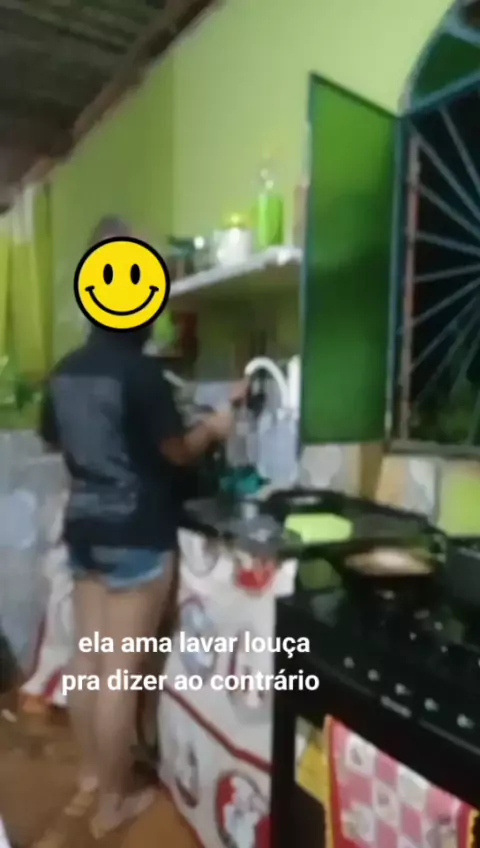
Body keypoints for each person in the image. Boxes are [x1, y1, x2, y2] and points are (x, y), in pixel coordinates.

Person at [38, 216, 239, 837]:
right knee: (121, 672)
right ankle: (111, 805)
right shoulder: (141, 373)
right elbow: (178, 452)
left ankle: (91, 776)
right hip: (137, 536)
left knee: (88, 660)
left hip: (85, 530)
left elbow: (54, 438)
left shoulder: (65, 371)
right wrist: (215, 428)